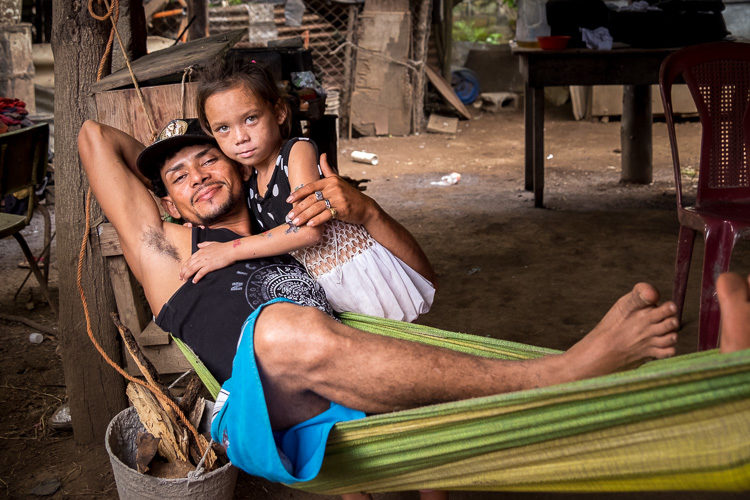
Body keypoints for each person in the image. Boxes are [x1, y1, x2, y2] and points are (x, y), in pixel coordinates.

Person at [78, 118, 686, 488]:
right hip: (260, 402)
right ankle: (558, 373)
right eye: (180, 178)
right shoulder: (170, 248)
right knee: (279, 331)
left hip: (346, 376)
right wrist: (169, 162)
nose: (199, 176)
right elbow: (93, 139)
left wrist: (363, 210)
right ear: (168, 204)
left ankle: (697, 405)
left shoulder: (291, 225)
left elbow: (421, 278)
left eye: (209, 159)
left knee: (325, 338)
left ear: (238, 165)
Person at [178, 62, 435, 321]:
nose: (239, 137)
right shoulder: (252, 182)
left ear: (278, 112)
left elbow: (308, 229)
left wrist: (230, 249)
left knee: (400, 343)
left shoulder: (296, 152)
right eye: (223, 128)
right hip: (330, 290)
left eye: (251, 119)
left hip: (362, 277)